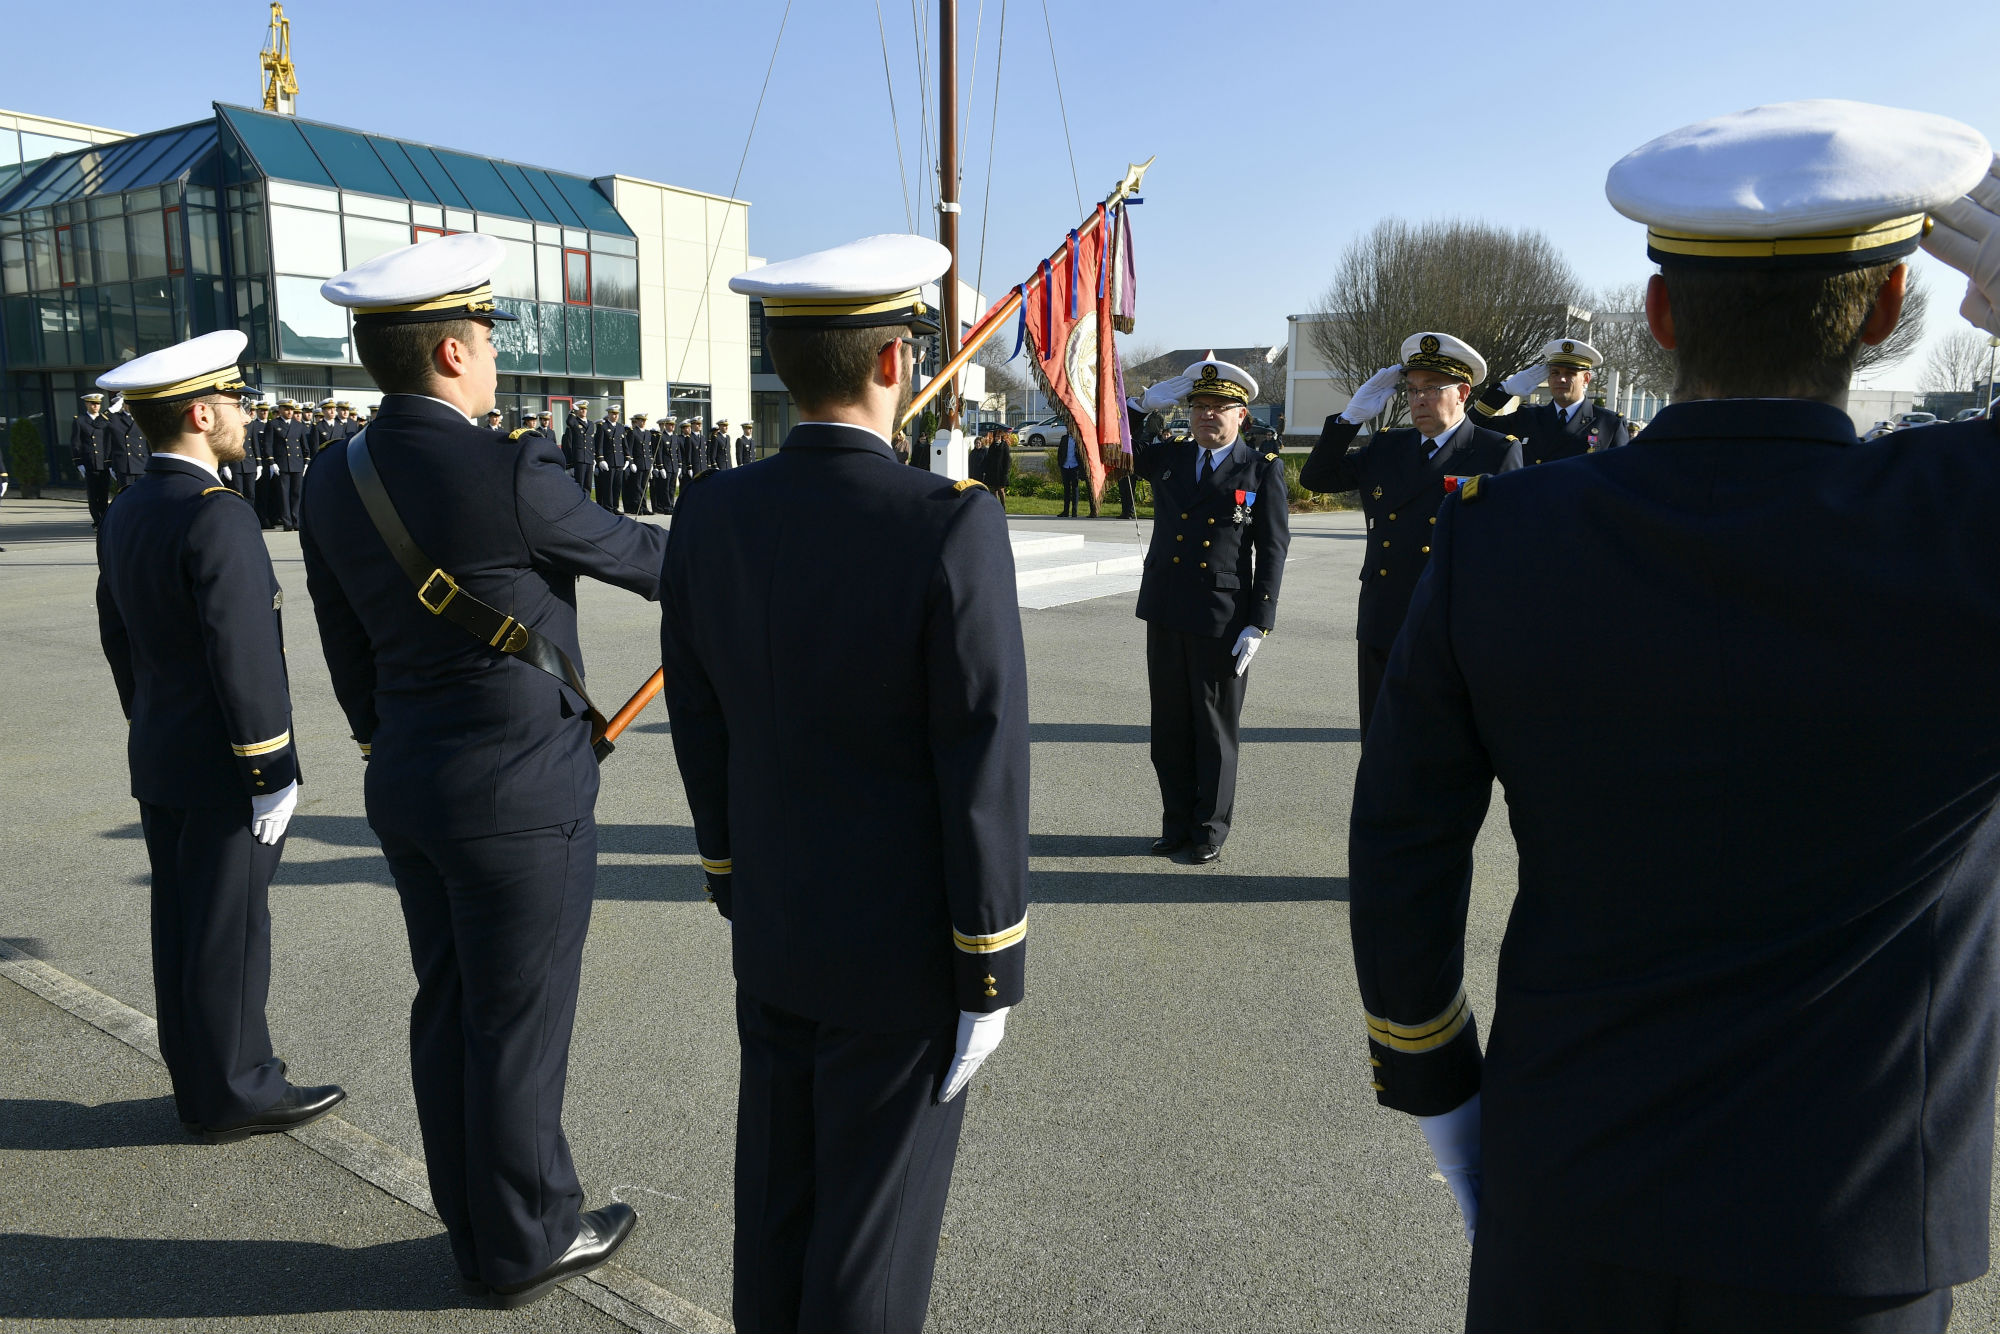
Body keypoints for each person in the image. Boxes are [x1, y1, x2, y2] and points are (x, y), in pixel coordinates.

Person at [1349, 99, 2000, 1334]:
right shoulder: (1962, 521)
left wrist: (1435, 1081)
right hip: (1851, 1222)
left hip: (1568, 1189)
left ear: (1658, 316)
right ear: (1880, 314)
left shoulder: (1504, 540)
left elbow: (1401, 841)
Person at [669, 234, 1029, 1333]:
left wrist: (733, 868)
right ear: (892, 363)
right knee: (870, 1236)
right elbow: (982, 757)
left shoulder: (711, 510)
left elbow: (700, 718)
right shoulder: (947, 521)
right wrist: (990, 959)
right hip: (901, 949)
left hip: (775, 916)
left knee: (778, 1211)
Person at [302, 234, 663, 1306]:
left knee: (452, 1008)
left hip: (408, 778)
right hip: (519, 794)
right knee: (518, 1024)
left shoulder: (333, 475)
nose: (496, 361)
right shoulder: (509, 465)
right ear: (455, 352)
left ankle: (477, 1223)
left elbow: (343, 645)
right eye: (490, 340)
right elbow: (645, 559)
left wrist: (385, 741)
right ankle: (525, 1240)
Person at [93, 329, 347, 1143]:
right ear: (202, 413)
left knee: (184, 926)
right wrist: (270, 763)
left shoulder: (131, 505)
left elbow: (118, 636)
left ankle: (202, 1084)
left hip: (164, 750)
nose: (244, 414)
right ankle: (239, 1090)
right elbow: (244, 653)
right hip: (225, 763)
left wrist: (150, 717)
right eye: (234, 401)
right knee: (230, 930)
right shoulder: (218, 514)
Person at [1297, 332, 1523, 738]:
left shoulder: (1496, 451)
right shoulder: (1388, 446)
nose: (1418, 399)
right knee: (1380, 741)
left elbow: (1509, 551)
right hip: (1383, 616)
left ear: (1463, 393)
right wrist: (1350, 419)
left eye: (1432, 389)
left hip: (1449, 624)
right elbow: (1316, 478)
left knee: (1440, 749)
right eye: (1412, 389)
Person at [1126, 357, 1291, 865]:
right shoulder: (1171, 459)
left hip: (1222, 618)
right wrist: (1139, 404)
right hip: (1167, 607)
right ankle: (1175, 825)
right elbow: (1117, 447)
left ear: (1243, 414)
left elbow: (1273, 547)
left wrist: (1259, 622)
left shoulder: (1260, 469)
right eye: (1198, 406)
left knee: (1214, 730)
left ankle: (1209, 830)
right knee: (1169, 727)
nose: (1206, 416)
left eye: (1219, 407)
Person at [1472, 338, 1631, 463]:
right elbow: (1472, 428)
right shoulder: (1527, 417)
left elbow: (1620, 478)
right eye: (1555, 373)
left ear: (1586, 379)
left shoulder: (1609, 424)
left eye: (1570, 374)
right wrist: (1504, 391)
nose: (1561, 379)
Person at [71, 391, 112, 527]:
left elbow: (108, 442)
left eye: (98, 404)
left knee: (104, 494)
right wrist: (79, 462)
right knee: (93, 495)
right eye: (93, 404)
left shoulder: (104, 420)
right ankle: (97, 521)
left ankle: (105, 519)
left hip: (103, 462)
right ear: (87, 404)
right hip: (90, 462)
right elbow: (76, 443)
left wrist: (110, 461)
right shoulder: (80, 420)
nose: (95, 406)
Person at [105, 392, 148, 494]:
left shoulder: (141, 417)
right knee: (126, 496)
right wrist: (111, 410)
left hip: (142, 463)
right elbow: (98, 424)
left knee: (143, 496)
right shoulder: (115, 418)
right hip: (125, 465)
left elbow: (148, 443)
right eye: (127, 402)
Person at [593, 405, 628, 512]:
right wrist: (601, 460)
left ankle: (615, 506)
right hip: (609, 461)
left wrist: (628, 458)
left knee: (617, 486)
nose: (615, 416)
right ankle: (608, 507)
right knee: (608, 485)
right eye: (613, 413)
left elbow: (624, 444)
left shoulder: (621, 427)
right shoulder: (603, 427)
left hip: (619, 461)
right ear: (608, 414)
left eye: (617, 414)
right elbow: (599, 445)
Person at [561, 400, 594, 493]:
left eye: (585, 409)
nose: (583, 411)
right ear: (578, 410)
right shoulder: (575, 422)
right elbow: (569, 422)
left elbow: (592, 441)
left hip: (589, 457)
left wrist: (594, 457)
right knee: (580, 483)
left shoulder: (591, 424)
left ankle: (587, 505)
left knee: (588, 485)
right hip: (580, 457)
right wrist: (573, 411)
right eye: (581, 409)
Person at [625, 412, 654, 514]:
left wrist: (651, 464)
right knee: (637, 486)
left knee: (644, 486)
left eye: (644, 420)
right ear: (636, 421)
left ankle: (644, 507)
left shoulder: (647, 433)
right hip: (637, 463)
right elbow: (630, 449)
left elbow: (649, 450)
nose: (643, 422)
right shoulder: (633, 433)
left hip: (646, 463)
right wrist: (631, 462)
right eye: (641, 420)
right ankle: (638, 507)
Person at [652, 416, 681, 514]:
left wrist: (679, 465)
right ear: (665, 425)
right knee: (665, 488)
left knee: (672, 488)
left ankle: (671, 505)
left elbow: (678, 452)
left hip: (674, 466)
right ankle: (666, 507)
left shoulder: (674, 437)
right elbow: (659, 453)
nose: (672, 426)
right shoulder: (661, 437)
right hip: (666, 466)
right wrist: (660, 467)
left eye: (673, 425)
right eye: (670, 424)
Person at [1056, 425, 1083, 517]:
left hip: (1075, 466)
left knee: (1075, 489)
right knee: (1066, 489)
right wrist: (1060, 463)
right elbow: (1060, 452)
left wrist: (1080, 467)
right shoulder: (1064, 438)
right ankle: (1065, 511)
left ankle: (1074, 511)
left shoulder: (1079, 439)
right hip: (1065, 466)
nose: (1069, 430)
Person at [982, 425, 1011, 503]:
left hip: (1001, 472)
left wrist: (1006, 471)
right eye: (995, 436)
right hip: (992, 472)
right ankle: (996, 506)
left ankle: (1003, 506)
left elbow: (1007, 459)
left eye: (998, 436)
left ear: (1001, 437)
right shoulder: (992, 446)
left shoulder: (1004, 446)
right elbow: (988, 459)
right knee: (994, 491)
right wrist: (986, 470)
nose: (996, 438)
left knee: (1001, 490)